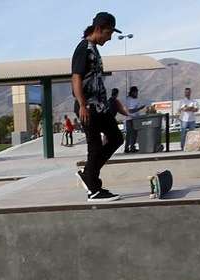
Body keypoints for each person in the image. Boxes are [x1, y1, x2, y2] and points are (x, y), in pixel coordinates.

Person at [72, 12, 124, 202]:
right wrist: (83, 105)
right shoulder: (83, 48)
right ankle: (94, 189)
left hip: (100, 107)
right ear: (99, 29)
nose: (110, 37)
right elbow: (76, 77)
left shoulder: (93, 48)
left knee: (117, 137)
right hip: (88, 107)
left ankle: (88, 174)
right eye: (109, 33)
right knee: (94, 147)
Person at [122, 86, 146, 153]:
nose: (137, 93)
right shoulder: (128, 100)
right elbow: (130, 111)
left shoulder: (136, 99)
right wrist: (139, 108)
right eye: (136, 92)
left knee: (134, 134)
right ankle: (126, 148)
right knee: (129, 134)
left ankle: (132, 147)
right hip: (129, 119)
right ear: (132, 92)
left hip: (135, 119)